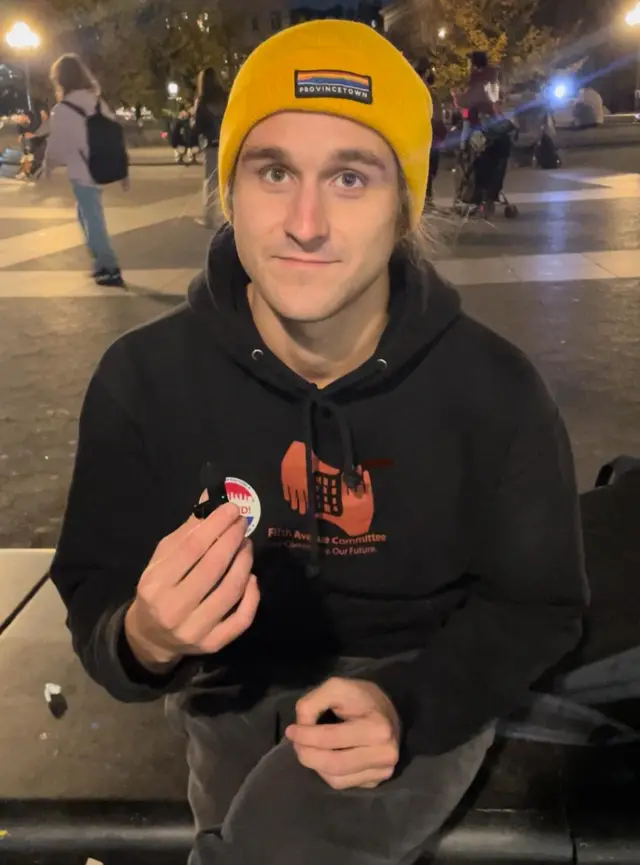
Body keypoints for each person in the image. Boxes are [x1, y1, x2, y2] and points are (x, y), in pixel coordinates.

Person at [49, 20, 589, 865]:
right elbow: (96, 597)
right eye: (274, 172)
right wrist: (146, 637)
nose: (306, 223)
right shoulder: (141, 379)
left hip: (423, 675)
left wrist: (410, 703)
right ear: (230, 190)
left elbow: (540, 603)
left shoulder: (494, 389)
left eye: (349, 176)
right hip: (228, 684)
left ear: (406, 204)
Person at [44, 54, 124, 288]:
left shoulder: (62, 109)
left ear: (60, 80)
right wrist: (122, 169)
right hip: (100, 166)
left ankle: (109, 266)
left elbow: (57, 145)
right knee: (86, 215)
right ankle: (101, 263)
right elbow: (113, 132)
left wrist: (47, 166)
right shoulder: (96, 101)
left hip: (82, 171)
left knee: (92, 219)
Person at [193, 67, 226, 229]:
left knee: (211, 182)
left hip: (212, 146)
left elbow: (198, 127)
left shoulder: (203, 101)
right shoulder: (225, 97)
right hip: (226, 143)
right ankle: (229, 215)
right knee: (227, 180)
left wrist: (193, 143)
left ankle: (209, 217)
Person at [416, 60, 447, 204]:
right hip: (427, 134)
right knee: (428, 168)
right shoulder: (424, 92)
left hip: (427, 135)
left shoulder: (420, 91)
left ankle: (426, 197)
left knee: (428, 168)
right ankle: (426, 198)